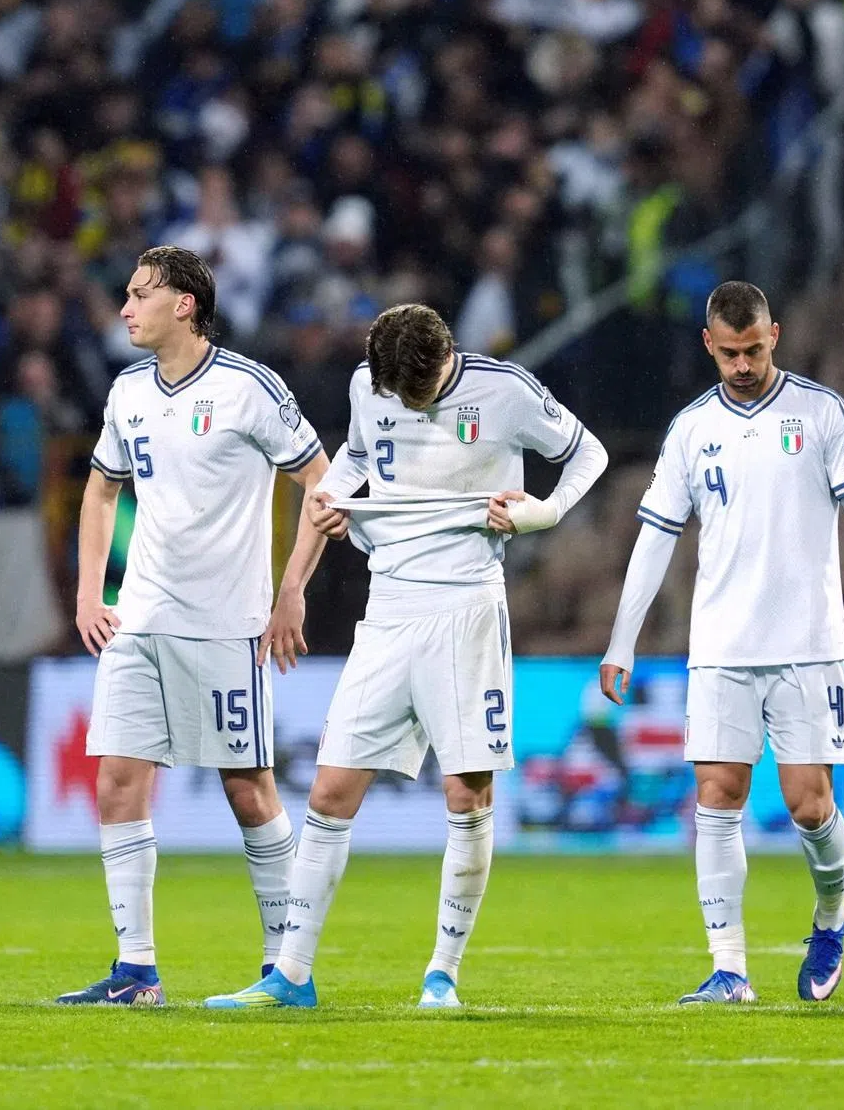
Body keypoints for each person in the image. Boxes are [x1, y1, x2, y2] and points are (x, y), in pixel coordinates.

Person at [205, 302, 608, 1010]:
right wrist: (324, 522)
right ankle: (291, 977)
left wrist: (541, 511)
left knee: (467, 794)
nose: (405, 402)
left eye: (416, 392)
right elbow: (355, 463)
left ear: (446, 357)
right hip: (387, 607)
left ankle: (442, 976)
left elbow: (588, 453)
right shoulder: (372, 383)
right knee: (330, 793)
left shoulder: (504, 390)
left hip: (466, 611)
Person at [600, 281, 844, 1005]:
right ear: (709, 344)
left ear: (777, 333)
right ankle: (730, 969)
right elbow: (654, 539)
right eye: (730, 352)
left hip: (809, 643)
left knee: (808, 805)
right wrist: (622, 641)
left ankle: (831, 918)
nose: (743, 364)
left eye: (755, 348)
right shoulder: (690, 430)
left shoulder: (822, 413)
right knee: (717, 794)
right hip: (720, 645)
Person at [56, 246, 330, 1006]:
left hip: (224, 625)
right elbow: (100, 492)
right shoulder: (127, 392)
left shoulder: (249, 389)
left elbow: (321, 478)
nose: (124, 309)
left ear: (185, 304)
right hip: (138, 618)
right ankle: (136, 971)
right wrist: (89, 594)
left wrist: (292, 591)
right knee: (115, 783)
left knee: (249, 789)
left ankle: (287, 971)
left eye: (139, 294)